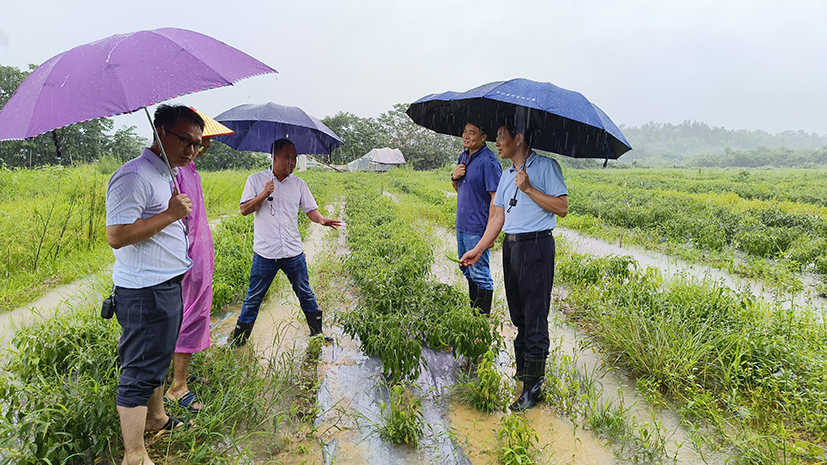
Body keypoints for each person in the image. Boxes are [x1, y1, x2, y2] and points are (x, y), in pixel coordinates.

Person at [106, 104, 204, 465]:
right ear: (160, 132)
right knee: (139, 371)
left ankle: (157, 417)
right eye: (185, 141)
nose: (192, 150)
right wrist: (170, 214)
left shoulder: (165, 172)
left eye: (196, 144)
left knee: (159, 358)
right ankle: (134, 455)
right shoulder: (133, 177)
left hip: (166, 285)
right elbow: (117, 235)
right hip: (145, 292)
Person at [460, 120, 568, 412]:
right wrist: (478, 250)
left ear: (519, 139)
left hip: (537, 246)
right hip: (512, 247)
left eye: (501, 137)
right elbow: (498, 217)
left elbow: (562, 207)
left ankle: (533, 388)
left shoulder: (546, 167)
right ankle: (522, 374)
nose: (496, 143)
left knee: (534, 318)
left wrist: (529, 188)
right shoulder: (507, 175)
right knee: (519, 315)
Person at [229, 139, 341, 348]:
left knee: (305, 292)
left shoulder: (299, 184)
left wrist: (320, 219)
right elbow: (244, 210)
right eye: (287, 157)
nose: (292, 162)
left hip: (293, 252)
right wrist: (264, 194)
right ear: (273, 157)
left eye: (295, 158)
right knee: (254, 298)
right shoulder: (256, 180)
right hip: (265, 254)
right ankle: (238, 342)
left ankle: (317, 333)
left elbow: (310, 210)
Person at [164, 131, 216, 413]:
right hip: (188, 255)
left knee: (191, 313)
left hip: (199, 252)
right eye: (193, 143)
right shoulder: (175, 172)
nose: (197, 149)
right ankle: (178, 387)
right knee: (189, 315)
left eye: (200, 145)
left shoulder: (191, 169)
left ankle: (179, 375)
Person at [451, 122, 502, 315]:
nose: (466, 136)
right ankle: (473, 317)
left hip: (478, 228)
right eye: (464, 131)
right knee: (467, 269)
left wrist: (490, 233)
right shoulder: (463, 157)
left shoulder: (489, 161)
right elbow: (460, 189)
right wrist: (454, 177)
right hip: (462, 225)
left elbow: (496, 199)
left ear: (483, 137)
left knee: (480, 275)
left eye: (472, 133)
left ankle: (481, 324)